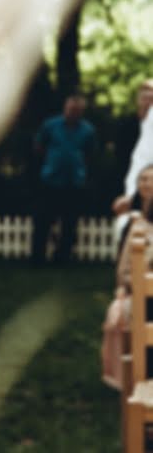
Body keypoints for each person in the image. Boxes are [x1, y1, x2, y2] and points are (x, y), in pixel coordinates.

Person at [102, 166, 153, 390]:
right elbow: (125, 268)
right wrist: (125, 286)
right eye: (143, 179)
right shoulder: (138, 227)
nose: (147, 184)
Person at [31, 94, 96, 265]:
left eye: (77, 110)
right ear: (65, 108)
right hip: (51, 180)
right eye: (70, 109)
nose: (73, 113)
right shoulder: (51, 125)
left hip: (74, 182)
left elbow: (90, 153)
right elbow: (39, 146)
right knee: (43, 221)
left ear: (81, 112)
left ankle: (62, 257)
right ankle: (38, 257)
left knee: (69, 223)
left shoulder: (87, 130)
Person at [113, 79, 153, 216]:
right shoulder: (127, 125)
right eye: (145, 98)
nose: (148, 102)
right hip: (130, 178)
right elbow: (121, 155)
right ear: (138, 100)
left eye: (152, 99)